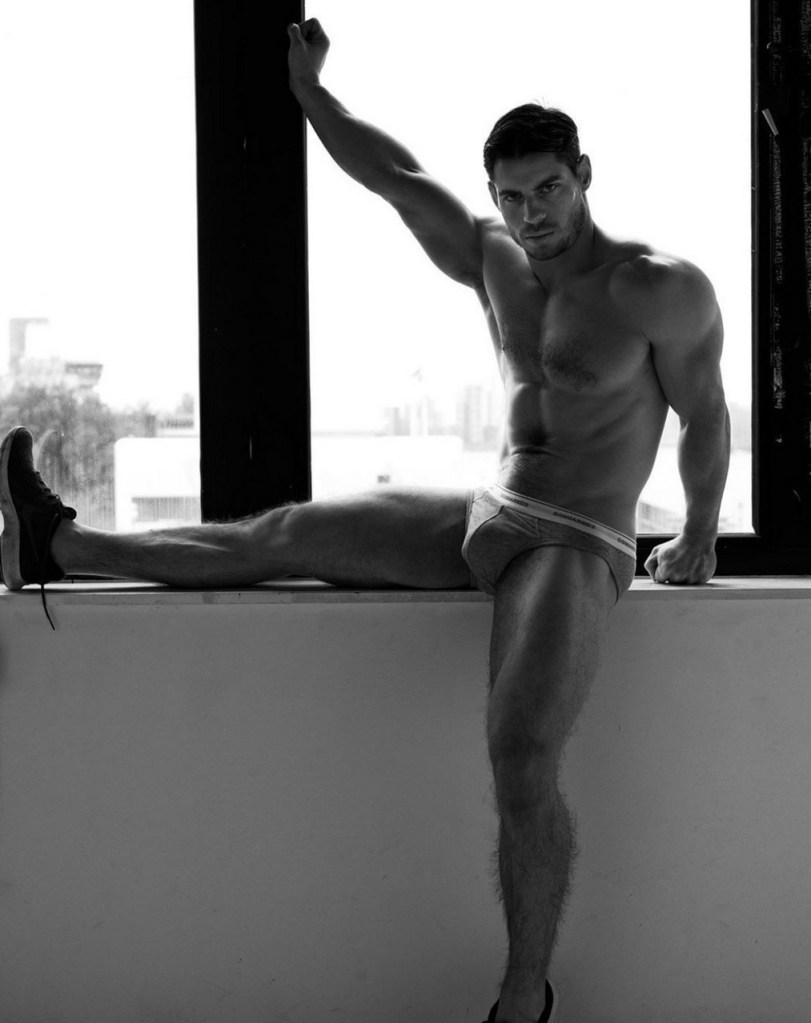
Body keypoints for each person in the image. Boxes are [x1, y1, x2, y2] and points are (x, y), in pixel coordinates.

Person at [0, 17, 730, 1023]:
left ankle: (523, 997)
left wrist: (697, 534)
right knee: (281, 533)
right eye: (512, 196)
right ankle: (58, 543)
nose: (532, 214)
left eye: (549, 189)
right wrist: (313, 95)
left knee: (521, 757)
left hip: (578, 538)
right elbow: (393, 176)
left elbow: (705, 413)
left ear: (583, 175)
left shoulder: (655, 286)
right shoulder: (493, 259)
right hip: (495, 508)